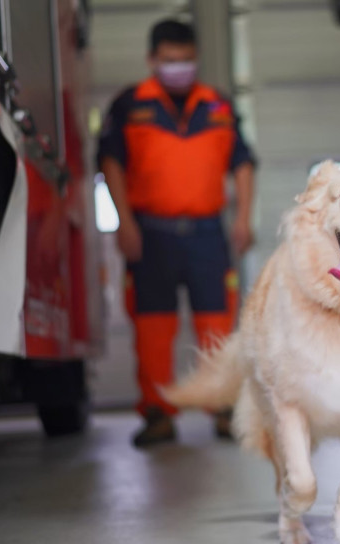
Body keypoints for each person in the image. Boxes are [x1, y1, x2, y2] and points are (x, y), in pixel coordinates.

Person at [97, 19, 256, 447]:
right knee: (152, 329)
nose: (179, 68)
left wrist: (243, 219)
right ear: (152, 60)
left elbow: (242, 161)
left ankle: (223, 409)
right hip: (150, 235)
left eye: (186, 60)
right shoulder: (130, 105)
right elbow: (109, 162)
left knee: (217, 324)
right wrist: (124, 222)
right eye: (170, 61)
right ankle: (157, 413)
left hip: (207, 234)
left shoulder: (217, 107)